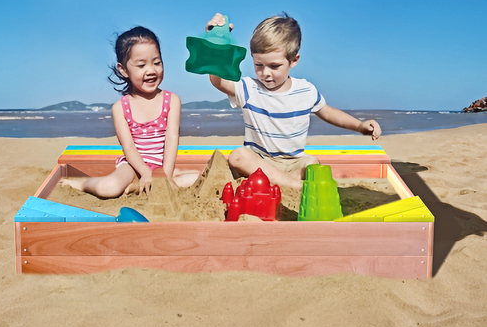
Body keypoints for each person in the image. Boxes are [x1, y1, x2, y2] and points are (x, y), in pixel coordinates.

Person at [205, 13, 382, 190]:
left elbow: (328, 112)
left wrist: (360, 126)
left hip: (293, 163)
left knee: (312, 163)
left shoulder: (306, 90)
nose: (265, 73)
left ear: (294, 60)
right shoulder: (249, 88)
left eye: (274, 66)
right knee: (238, 156)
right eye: (259, 65)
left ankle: (281, 181)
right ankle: (292, 185)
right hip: (259, 162)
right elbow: (218, 81)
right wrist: (214, 44)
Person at [61, 26, 195, 197]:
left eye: (157, 62)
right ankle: (83, 184)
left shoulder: (172, 100)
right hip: (133, 167)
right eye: (141, 65)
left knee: (197, 178)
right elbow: (129, 148)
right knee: (108, 188)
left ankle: (138, 187)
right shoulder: (120, 108)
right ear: (123, 70)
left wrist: (166, 175)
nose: (151, 70)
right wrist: (145, 172)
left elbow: (171, 139)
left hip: (163, 165)